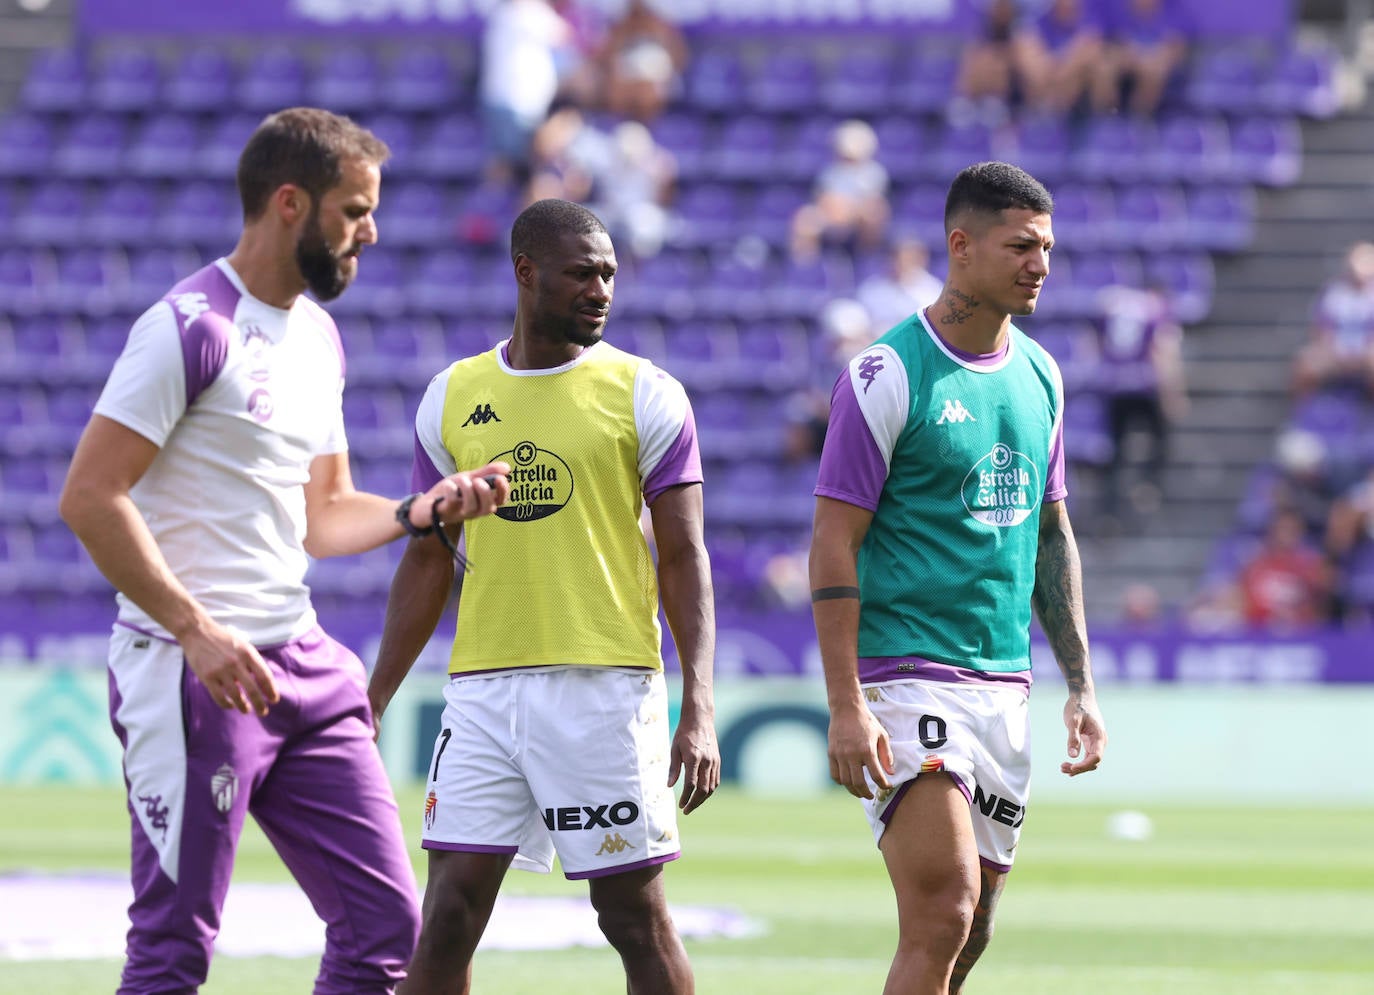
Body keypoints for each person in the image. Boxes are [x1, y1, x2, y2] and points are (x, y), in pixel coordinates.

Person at [56, 107, 513, 995]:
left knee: (388, 931)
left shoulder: (316, 336)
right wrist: (195, 629)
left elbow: (327, 514)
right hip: (190, 673)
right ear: (291, 204)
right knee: (173, 951)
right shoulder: (189, 327)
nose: (370, 233)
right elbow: (88, 495)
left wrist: (424, 508)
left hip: (299, 665)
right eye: (355, 211)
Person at [366, 198, 719, 995]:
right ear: (526, 272)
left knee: (631, 916)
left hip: (605, 685)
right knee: (448, 914)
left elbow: (684, 555)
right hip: (483, 692)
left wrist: (698, 700)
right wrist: (374, 695)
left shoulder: (645, 392)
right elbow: (427, 563)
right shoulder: (451, 396)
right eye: (583, 273)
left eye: (610, 275)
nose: (602, 289)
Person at [808, 161, 1107, 995]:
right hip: (907, 675)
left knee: (970, 933)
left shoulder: (1042, 375)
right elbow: (833, 542)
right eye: (1021, 246)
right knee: (943, 909)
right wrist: (844, 701)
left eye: (1046, 247)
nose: (1039, 263)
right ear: (961, 246)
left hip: (1001, 684)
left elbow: (1050, 534)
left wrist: (1080, 683)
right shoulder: (886, 373)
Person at [1292, 241, 1374, 399]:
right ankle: (1305, 417)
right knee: (1305, 365)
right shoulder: (1333, 292)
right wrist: (1334, 351)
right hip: (1335, 351)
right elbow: (1321, 328)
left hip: (1366, 352)